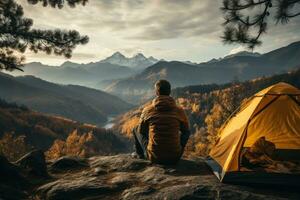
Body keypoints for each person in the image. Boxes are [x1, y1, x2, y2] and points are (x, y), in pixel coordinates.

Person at [133, 80, 191, 165]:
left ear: (156, 92)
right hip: (175, 157)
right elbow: (186, 131)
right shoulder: (179, 111)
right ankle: (175, 150)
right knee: (187, 131)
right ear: (170, 92)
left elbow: (141, 131)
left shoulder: (148, 110)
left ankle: (140, 155)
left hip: (154, 157)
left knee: (136, 129)